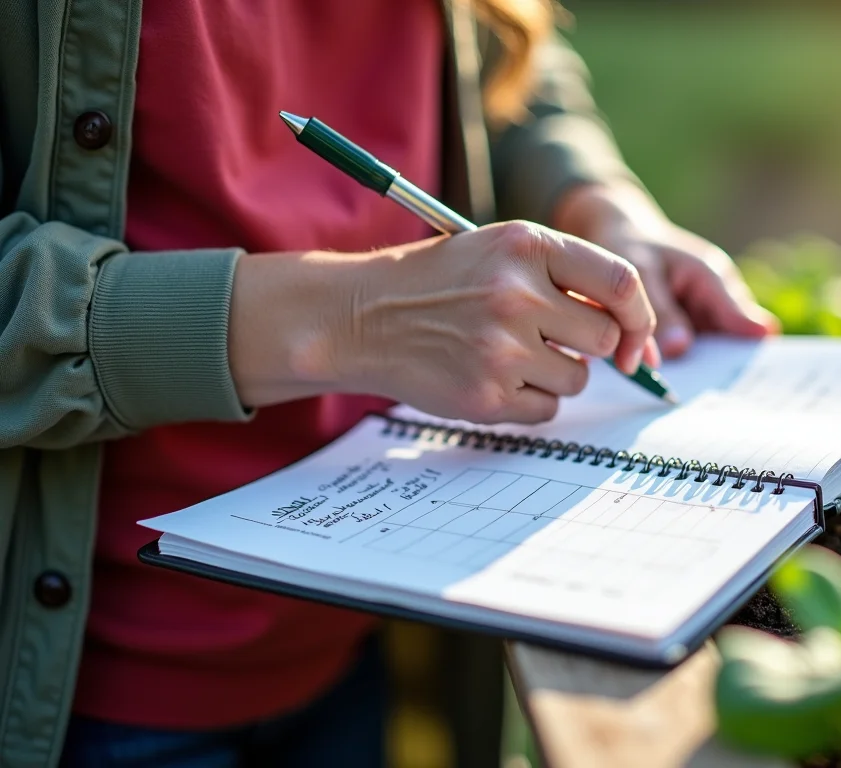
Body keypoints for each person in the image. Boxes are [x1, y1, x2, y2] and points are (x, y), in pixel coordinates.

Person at [0, 1, 777, 765]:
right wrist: (355, 316)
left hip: (349, 636)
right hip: (86, 691)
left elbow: (503, 54)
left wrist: (596, 197)